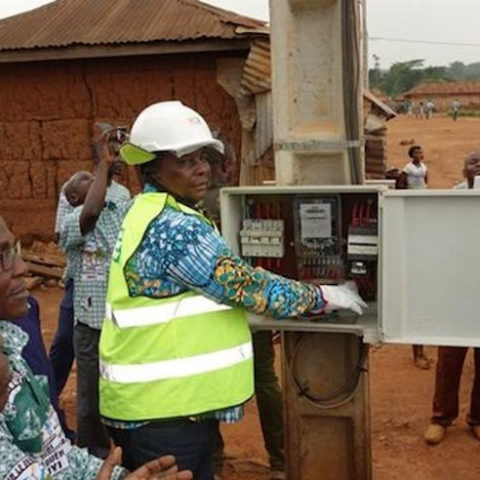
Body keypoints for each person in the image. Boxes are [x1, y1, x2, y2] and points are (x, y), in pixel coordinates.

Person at [98, 101, 366, 480]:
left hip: (160, 407)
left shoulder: (148, 211)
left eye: (202, 156)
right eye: (186, 159)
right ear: (151, 167)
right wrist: (325, 296)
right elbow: (244, 286)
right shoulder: (175, 228)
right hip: (164, 415)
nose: (202, 167)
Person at [0, 214, 192, 479]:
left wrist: (117, 477)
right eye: (2, 258)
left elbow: (55, 454)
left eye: (13, 252)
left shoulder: (12, 345)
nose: (21, 268)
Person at [60, 138, 130, 458]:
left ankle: (128, 450)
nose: (91, 179)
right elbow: (91, 210)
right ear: (73, 197)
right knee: (90, 395)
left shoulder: (120, 197)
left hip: (121, 316)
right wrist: (101, 167)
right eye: (84, 181)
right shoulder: (73, 219)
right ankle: (92, 454)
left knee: (124, 387)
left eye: (92, 177)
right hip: (89, 321)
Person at [49, 123, 130, 397]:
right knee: (64, 343)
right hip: (80, 283)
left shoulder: (122, 194)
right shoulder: (74, 188)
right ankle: (50, 395)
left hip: (111, 285)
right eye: (113, 152)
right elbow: (65, 228)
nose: (119, 159)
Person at [424, 151, 480, 445]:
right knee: (449, 359)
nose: (477, 169)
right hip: (456, 295)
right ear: (463, 172)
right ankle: (441, 418)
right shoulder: (453, 199)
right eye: (472, 165)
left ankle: (478, 418)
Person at [400, 145, 432, 370]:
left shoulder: (423, 168)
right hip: (413, 203)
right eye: (417, 153)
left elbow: (426, 182)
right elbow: (401, 187)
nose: (421, 155)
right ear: (412, 156)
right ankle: (417, 355)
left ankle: (420, 353)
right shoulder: (407, 170)